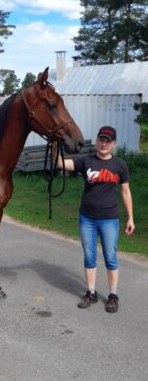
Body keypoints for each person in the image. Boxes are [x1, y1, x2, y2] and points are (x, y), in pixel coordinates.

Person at [56, 126, 135, 313]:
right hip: (87, 219)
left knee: (110, 257)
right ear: (97, 140)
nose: (104, 144)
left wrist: (130, 218)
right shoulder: (86, 161)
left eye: (108, 141)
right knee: (89, 257)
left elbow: (126, 191)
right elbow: (60, 164)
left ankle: (113, 295)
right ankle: (91, 293)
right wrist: (54, 143)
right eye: (101, 139)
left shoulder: (120, 165)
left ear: (113, 144)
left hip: (109, 219)